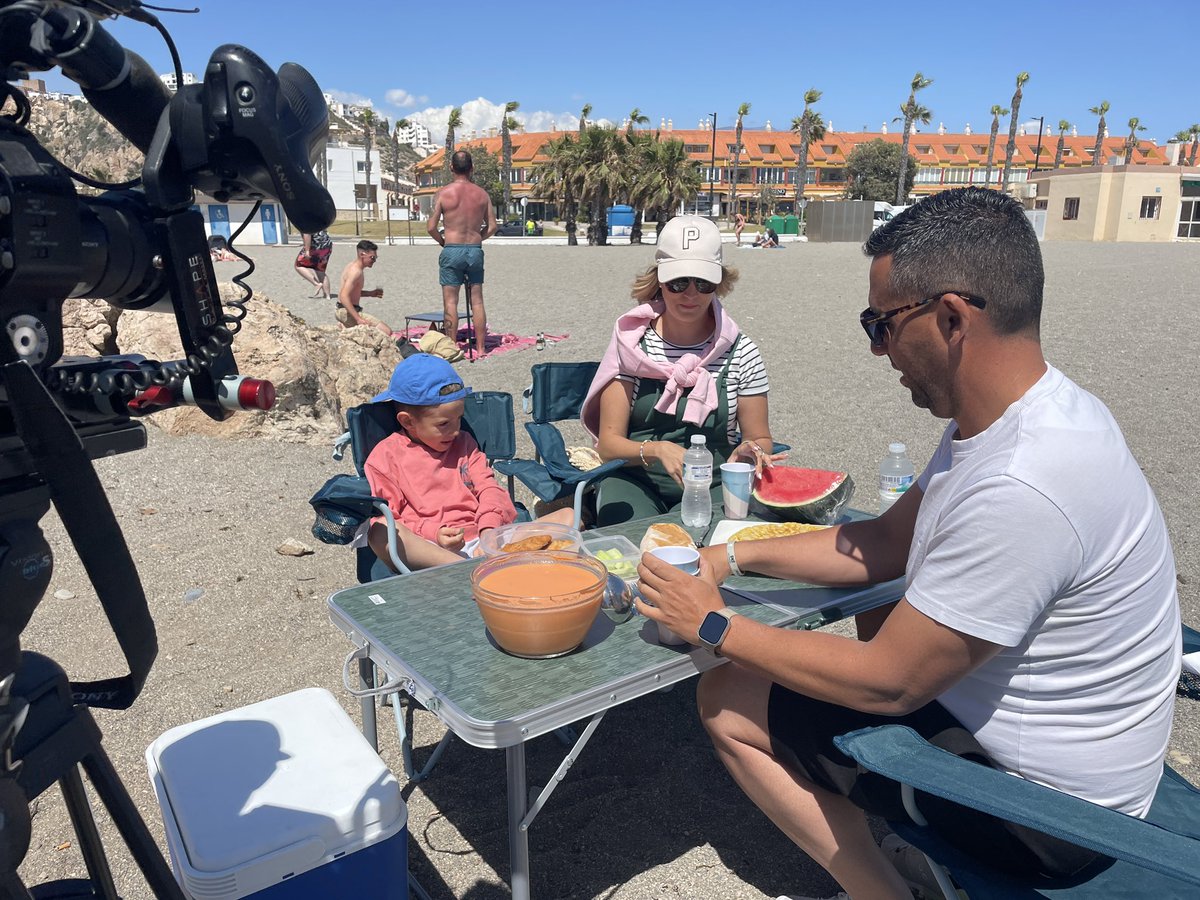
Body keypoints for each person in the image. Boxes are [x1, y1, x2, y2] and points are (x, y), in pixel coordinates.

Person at [635, 187, 1181, 899]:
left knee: (727, 699)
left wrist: (710, 622)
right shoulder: (1036, 417)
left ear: (951, 317)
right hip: (1091, 771)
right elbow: (889, 540)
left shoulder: (1025, 483)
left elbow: (888, 684)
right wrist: (732, 556)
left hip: (1051, 822)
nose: (875, 349)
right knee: (871, 612)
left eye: (882, 324)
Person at [580, 215, 783, 527]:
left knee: (707, 542)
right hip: (636, 481)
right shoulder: (632, 345)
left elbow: (760, 437)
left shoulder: (741, 352)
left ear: (720, 284)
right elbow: (608, 445)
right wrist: (658, 449)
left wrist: (750, 450)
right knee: (634, 543)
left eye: (704, 283)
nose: (691, 295)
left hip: (715, 484)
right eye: (678, 282)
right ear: (659, 280)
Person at [363, 354, 573, 571]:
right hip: (432, 550)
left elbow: (489, 488)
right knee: (380, 530)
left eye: (459, 418)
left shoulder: (464, 442)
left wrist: (489, 531)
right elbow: (390, 515)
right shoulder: (385, 457)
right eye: (443, 424)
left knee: (569, 518)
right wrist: (432, 531)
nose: (455, 430)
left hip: (484, 542)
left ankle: (485, 565)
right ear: (408, 421)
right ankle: (468, 570)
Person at [427, 150, 498, 357]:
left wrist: (443, 241)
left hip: (452, 248)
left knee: (451, 301)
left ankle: (451, 347)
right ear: (472, 168)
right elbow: (492, 226)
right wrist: (478, 237)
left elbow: (431, 226)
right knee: (477, 300)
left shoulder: (444, 193)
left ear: (451, 168)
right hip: (474, 250)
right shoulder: (482, 194)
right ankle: (482, 348)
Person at [336, 239, 391, 334]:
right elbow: (343, 296)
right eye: (372, 258)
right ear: (362, 255)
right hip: (346, 312)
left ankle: (345, 326)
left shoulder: (352, 266)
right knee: (386, 331)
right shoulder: (355, 272)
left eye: (376, 258)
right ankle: (345, 325)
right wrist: (358, 319)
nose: (374, 261)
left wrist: (370, 293)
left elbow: (352, 292)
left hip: (344, 311)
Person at [295, 230, 334, 299]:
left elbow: (307, 233)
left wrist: (307, 250)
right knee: (320, 270)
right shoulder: (317, 219)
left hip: (315, 246)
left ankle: (316, 284)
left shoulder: (303, 220)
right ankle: (327, 296)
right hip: (326, 245)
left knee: (298, 265)